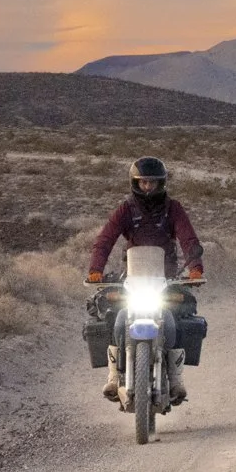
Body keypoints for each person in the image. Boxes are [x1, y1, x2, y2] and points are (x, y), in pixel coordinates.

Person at [87, 156, 204, 402]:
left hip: (165, 277)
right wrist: (96, 269)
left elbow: (188, 238)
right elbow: (105, 239)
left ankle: (176, 379)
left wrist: (195, 268)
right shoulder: (126, 209)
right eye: (143, 183)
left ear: (161, 183)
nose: (148, 187)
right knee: (117, 320)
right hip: (134, 277)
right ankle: (112, 377)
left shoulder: (173, 208)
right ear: (135, 183)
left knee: (173, 321)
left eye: (152, 182)